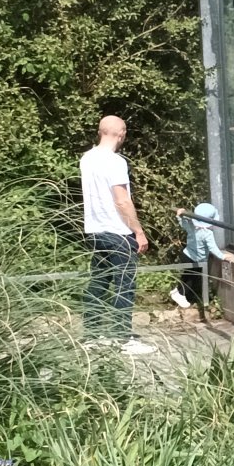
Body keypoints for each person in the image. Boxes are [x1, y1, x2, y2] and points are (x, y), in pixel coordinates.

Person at [80, 116, 156, 356]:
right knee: (125, 284)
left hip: (95, 229)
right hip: (118, 232)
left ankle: (92, 335)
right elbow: (122, 200)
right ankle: (122, 337)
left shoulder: (87, 158)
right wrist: (139, 231)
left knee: (99, 282)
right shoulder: (115, 161)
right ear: (121, 133)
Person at [171, 202, 227, 317]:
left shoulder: (192, 225)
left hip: (186, 255)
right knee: (191, 278)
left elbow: (183, 223)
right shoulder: (207, 233)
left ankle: (178, 291)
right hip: (196, 260)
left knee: (187, 276)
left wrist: (179, 215)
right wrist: (223, 256)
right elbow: (213, 248)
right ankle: (180, 294)